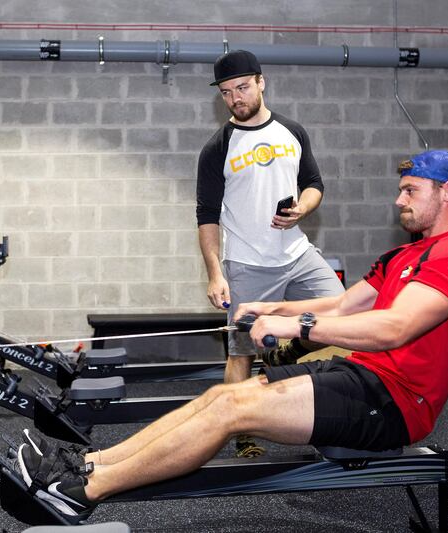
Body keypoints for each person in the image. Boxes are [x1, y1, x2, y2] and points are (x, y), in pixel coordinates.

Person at [9, 150, 448, 524]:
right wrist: (276, 306)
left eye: (410, 191)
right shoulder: (406, 255)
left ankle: (80, 494)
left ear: (447, 192)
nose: (399, 200)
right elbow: (344, 304)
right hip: (363, 376)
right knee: (223, 395)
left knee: (231, 411)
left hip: (395, 404)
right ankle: (87, 464)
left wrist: (297, 326)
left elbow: (396, 327)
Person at [196, 50, 345, 457]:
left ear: (261, 82)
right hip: (246, 261)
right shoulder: (218, 147)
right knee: (242, 350)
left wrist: (303, 208)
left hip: (297, 253)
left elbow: (314, 182)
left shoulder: (292, 131)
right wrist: (215, 273)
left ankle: (290, 351)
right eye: (226, 93)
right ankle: (241, 430)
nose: (235, 99)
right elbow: (206, 216)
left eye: (242, 88)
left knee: (343, 316)